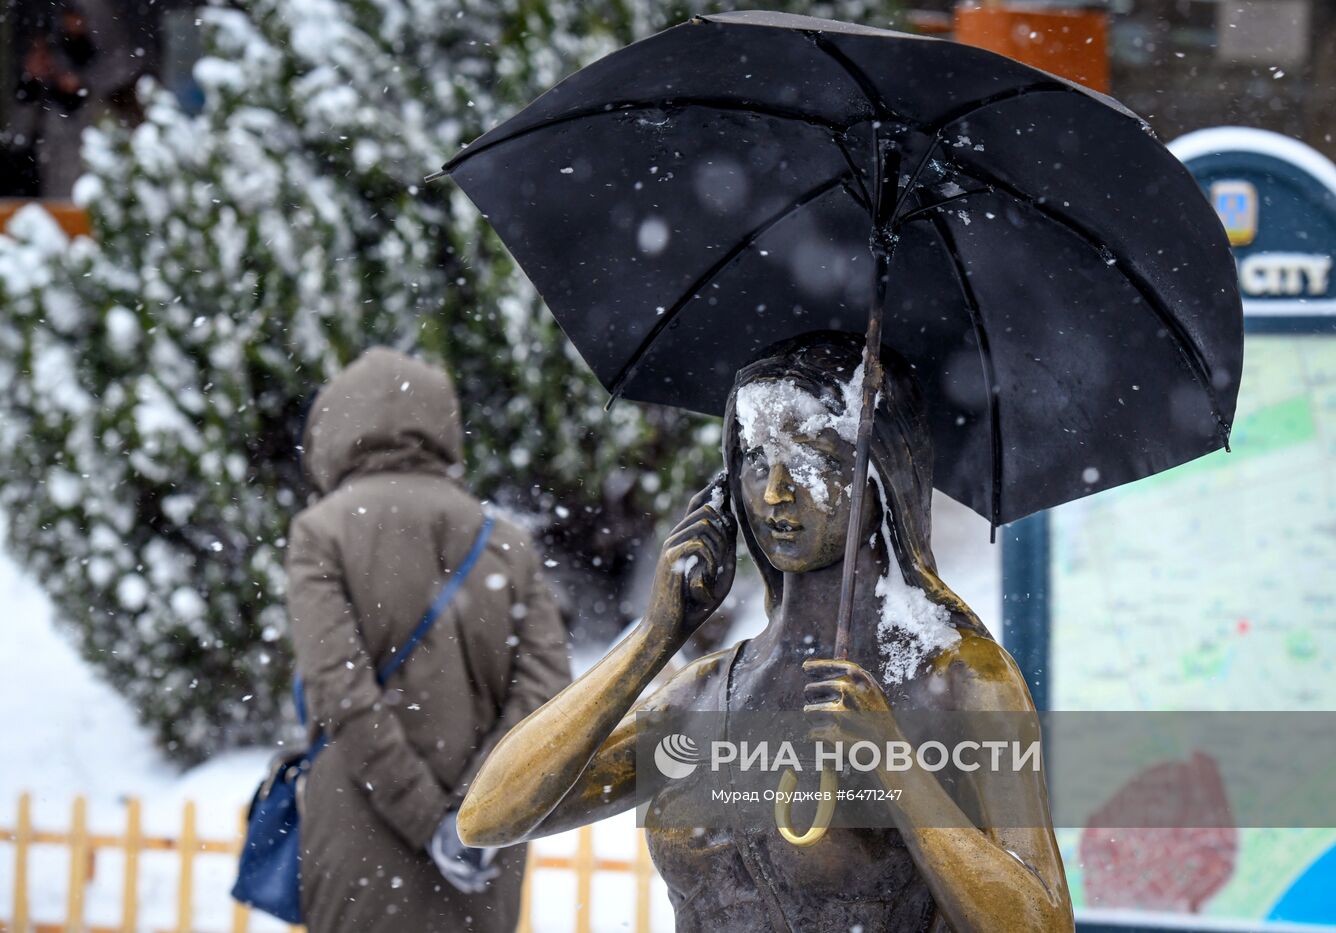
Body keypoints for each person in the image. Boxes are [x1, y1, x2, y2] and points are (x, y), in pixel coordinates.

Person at [458, 332, 1072, 932]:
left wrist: (894, 764)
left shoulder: (957, 679)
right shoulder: (710, 695)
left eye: (808, 458)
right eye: (756, 458)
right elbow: (489, 816)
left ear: (879, 476)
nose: (776, 491)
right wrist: (653, 639)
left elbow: (1041, 922)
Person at [288, 348, 570, 932]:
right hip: (483, 855)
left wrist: (424, 819)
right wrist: (471, 818)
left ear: (336, 427)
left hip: (360, 840)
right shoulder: (505, 540)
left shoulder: (322, 532)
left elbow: (341, 692)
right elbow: (545, 697)